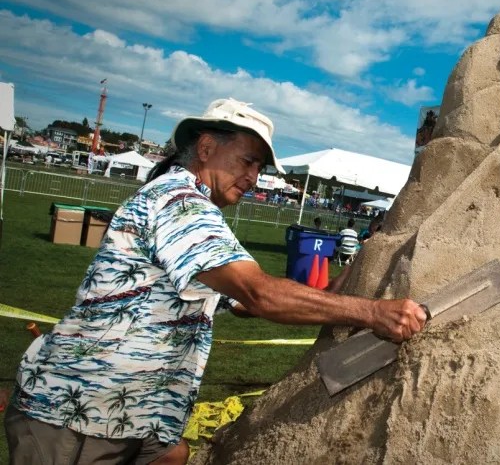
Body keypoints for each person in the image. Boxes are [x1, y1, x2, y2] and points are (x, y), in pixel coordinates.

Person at [5, 98, 427, 465]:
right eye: (247, 161)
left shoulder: (193, 215)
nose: (253, 177)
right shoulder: (179, 204)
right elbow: (257, 293)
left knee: (174, 455)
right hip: (76, 414)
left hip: (130, 417)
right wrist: (373, 313)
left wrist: (366, 255)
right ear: (205, 148)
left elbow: (253, 303)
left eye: (259, 167)